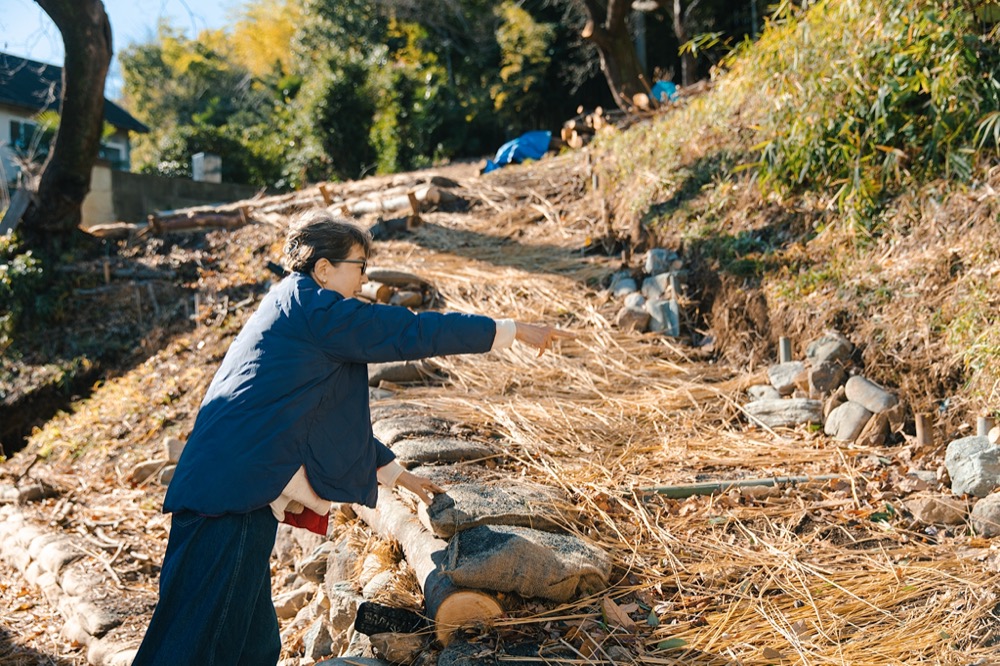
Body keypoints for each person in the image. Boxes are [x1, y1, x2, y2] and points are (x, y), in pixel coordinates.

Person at [132, 209, 572, 665]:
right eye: (359, 266)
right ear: (324, 268)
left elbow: (320, 419)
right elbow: (411, 331)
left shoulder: (290, 304)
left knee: (251, 644)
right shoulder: (318, 310)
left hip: (228, 490)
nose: (363, 280)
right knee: (200, 644)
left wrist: (399, 477)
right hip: (232, 496)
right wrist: (510, 330)